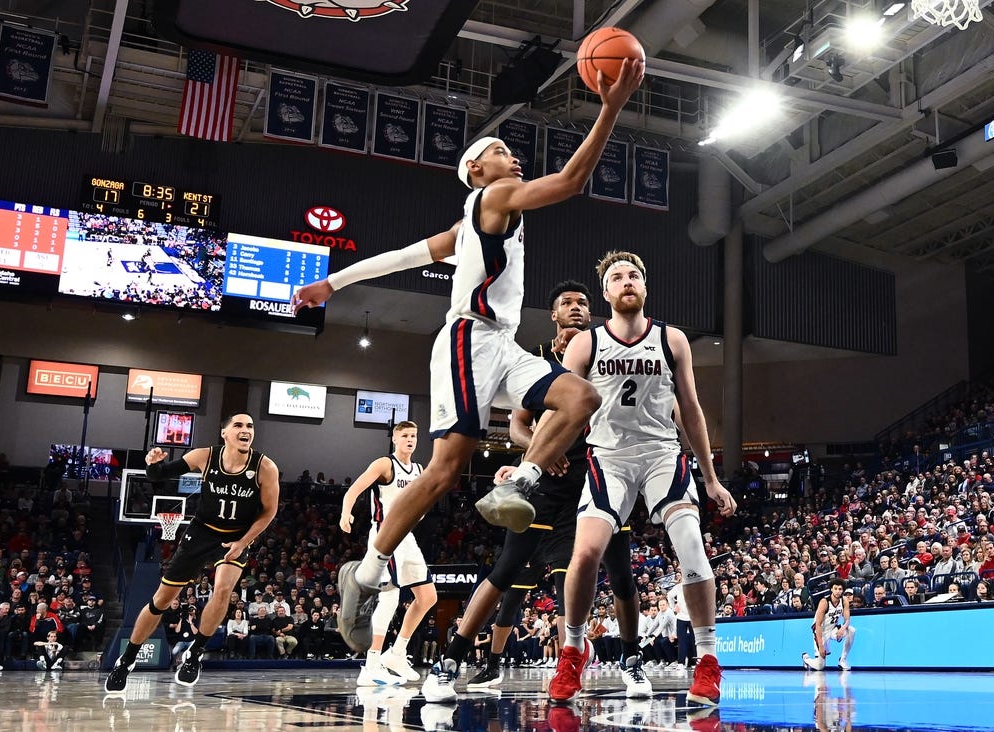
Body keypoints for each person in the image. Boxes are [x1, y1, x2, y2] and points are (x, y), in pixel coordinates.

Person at [291, 60, 645, 651]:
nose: (514, 156)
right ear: (477, 170)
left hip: (501, 345)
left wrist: (336, 282)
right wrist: (612, 106)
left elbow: (403, 256)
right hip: (466, 339)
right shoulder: (495, 196)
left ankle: (521, 481)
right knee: (448, 469)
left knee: (580, 396)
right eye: (503, 149)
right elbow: (571, 183)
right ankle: (370, 571)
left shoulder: (477, 222)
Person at [419, 282, 639, 702]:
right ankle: (449, 662)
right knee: (505, 569)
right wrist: (537, 448)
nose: (576, 309)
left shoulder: (608, 356)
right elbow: (518, 425)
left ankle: (628, 663)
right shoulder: (535, 361)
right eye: (567, 304)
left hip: (599, 474)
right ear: (553, 315)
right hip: (547, 481)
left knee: (619, 572)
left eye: (583, 304)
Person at [545, 251, 737, 707]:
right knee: (587, 553)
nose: (626, 281)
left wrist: (711, 478)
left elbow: (690, 409)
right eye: (616, 277)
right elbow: (564, 408)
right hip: (608, 457)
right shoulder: (585, 343)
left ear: (645, 287)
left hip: (660, 454)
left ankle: (708, 660)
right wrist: (543, 452)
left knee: (690, 541)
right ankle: (573, 648)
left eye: (633, 275)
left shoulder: (672, 340)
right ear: (606, 293)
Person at [104, 413, 280, 693]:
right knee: (163, 599)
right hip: (201, 532)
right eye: (238, 425)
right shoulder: (204, 456)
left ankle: (195, 655)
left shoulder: (265, 467)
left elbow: (270, 511)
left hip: (236, 536)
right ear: (224, 433)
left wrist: (244, 541)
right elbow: (159, 476)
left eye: (249, 426)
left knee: (223, 591)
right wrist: (152, 464)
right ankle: (126, 660)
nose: (245, 430)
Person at [338, 420, 437, 685]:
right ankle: (371, 664)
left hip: (408, 537)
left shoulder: (418, 468)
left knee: (427, 597)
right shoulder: (385, 464)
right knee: (390, 598)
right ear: (395, 439)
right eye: (405, 435)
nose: (410, 440)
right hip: (386, 535)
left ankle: (397, 652)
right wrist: (346, 511)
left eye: (414, 435)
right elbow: (354, 489)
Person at [802, 578, 855, 671]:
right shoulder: (824, 602)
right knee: (820, 666)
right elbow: (817, 625)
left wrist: (843, 627)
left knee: (851, 630)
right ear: (831, 589)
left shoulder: (844, 600)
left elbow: (847, 619)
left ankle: (842, 660)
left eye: (840, 589)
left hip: (833, 629)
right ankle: (806, 659)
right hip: (820, 632)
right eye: (835, 589)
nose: (838, 591)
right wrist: (821, 647)